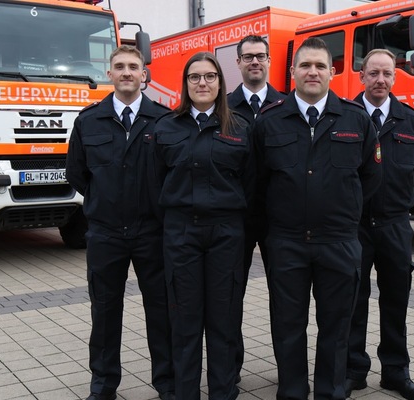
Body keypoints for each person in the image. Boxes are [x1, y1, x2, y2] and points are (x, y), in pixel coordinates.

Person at [251, 37, 382, 400]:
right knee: (288, 325)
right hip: (287, 243)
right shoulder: (269, 120)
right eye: (305, 65)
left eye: (320, 66)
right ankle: (292, 392)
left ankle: (330, 392)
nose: (312, 72)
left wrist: (339, 210)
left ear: (333, 72)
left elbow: (369, 178)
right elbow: (256, 182)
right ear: (292, 72)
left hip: (338, 242)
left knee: (336, 327)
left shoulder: (355, 119)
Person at [66, 45, 175, 400]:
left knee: (161, 312)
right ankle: (103, 386)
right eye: (119, 66)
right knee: (105, 313)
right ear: (109, 73)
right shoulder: (88, 120)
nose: (127, 72)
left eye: (134, 67)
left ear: (145, 75)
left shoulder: (163, 120)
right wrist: (105, 201)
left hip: (152, 233)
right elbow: (77, 174)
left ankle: (167, 383)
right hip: (106, 233)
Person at [154, 51, 252, 400]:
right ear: (185, 84)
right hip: (181, 234)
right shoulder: (166, 127)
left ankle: (223, 393)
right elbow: (155, 185)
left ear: (220, 82)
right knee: (184, 322)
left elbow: (252, 184)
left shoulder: (240, 126)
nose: (202, 83)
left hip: (227, 233)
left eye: (210, 76)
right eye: (195, 77)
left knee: (224, 321)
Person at [345, 48, 414, 400]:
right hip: (354, 225)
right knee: (353, 300)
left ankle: (396, 372)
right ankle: (353, 370)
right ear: (362, 76)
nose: (381, 80)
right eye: (373, 73)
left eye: (387, 74)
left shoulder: (411, 121)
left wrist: (400, 206)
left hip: (395, 226)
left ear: (395, 78)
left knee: (395, 301)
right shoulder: (345, 117)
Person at [225, 34, 284, 382]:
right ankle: (229, 369)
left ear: (269, 61)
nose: (254, 62)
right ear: (238, 63)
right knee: (231, 296)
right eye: (247, 57)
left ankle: (287, 369)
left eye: (260, 56)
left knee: (285, 299)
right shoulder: (224, 107)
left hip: (280, 220)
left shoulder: (285, 105)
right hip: (236, 219)